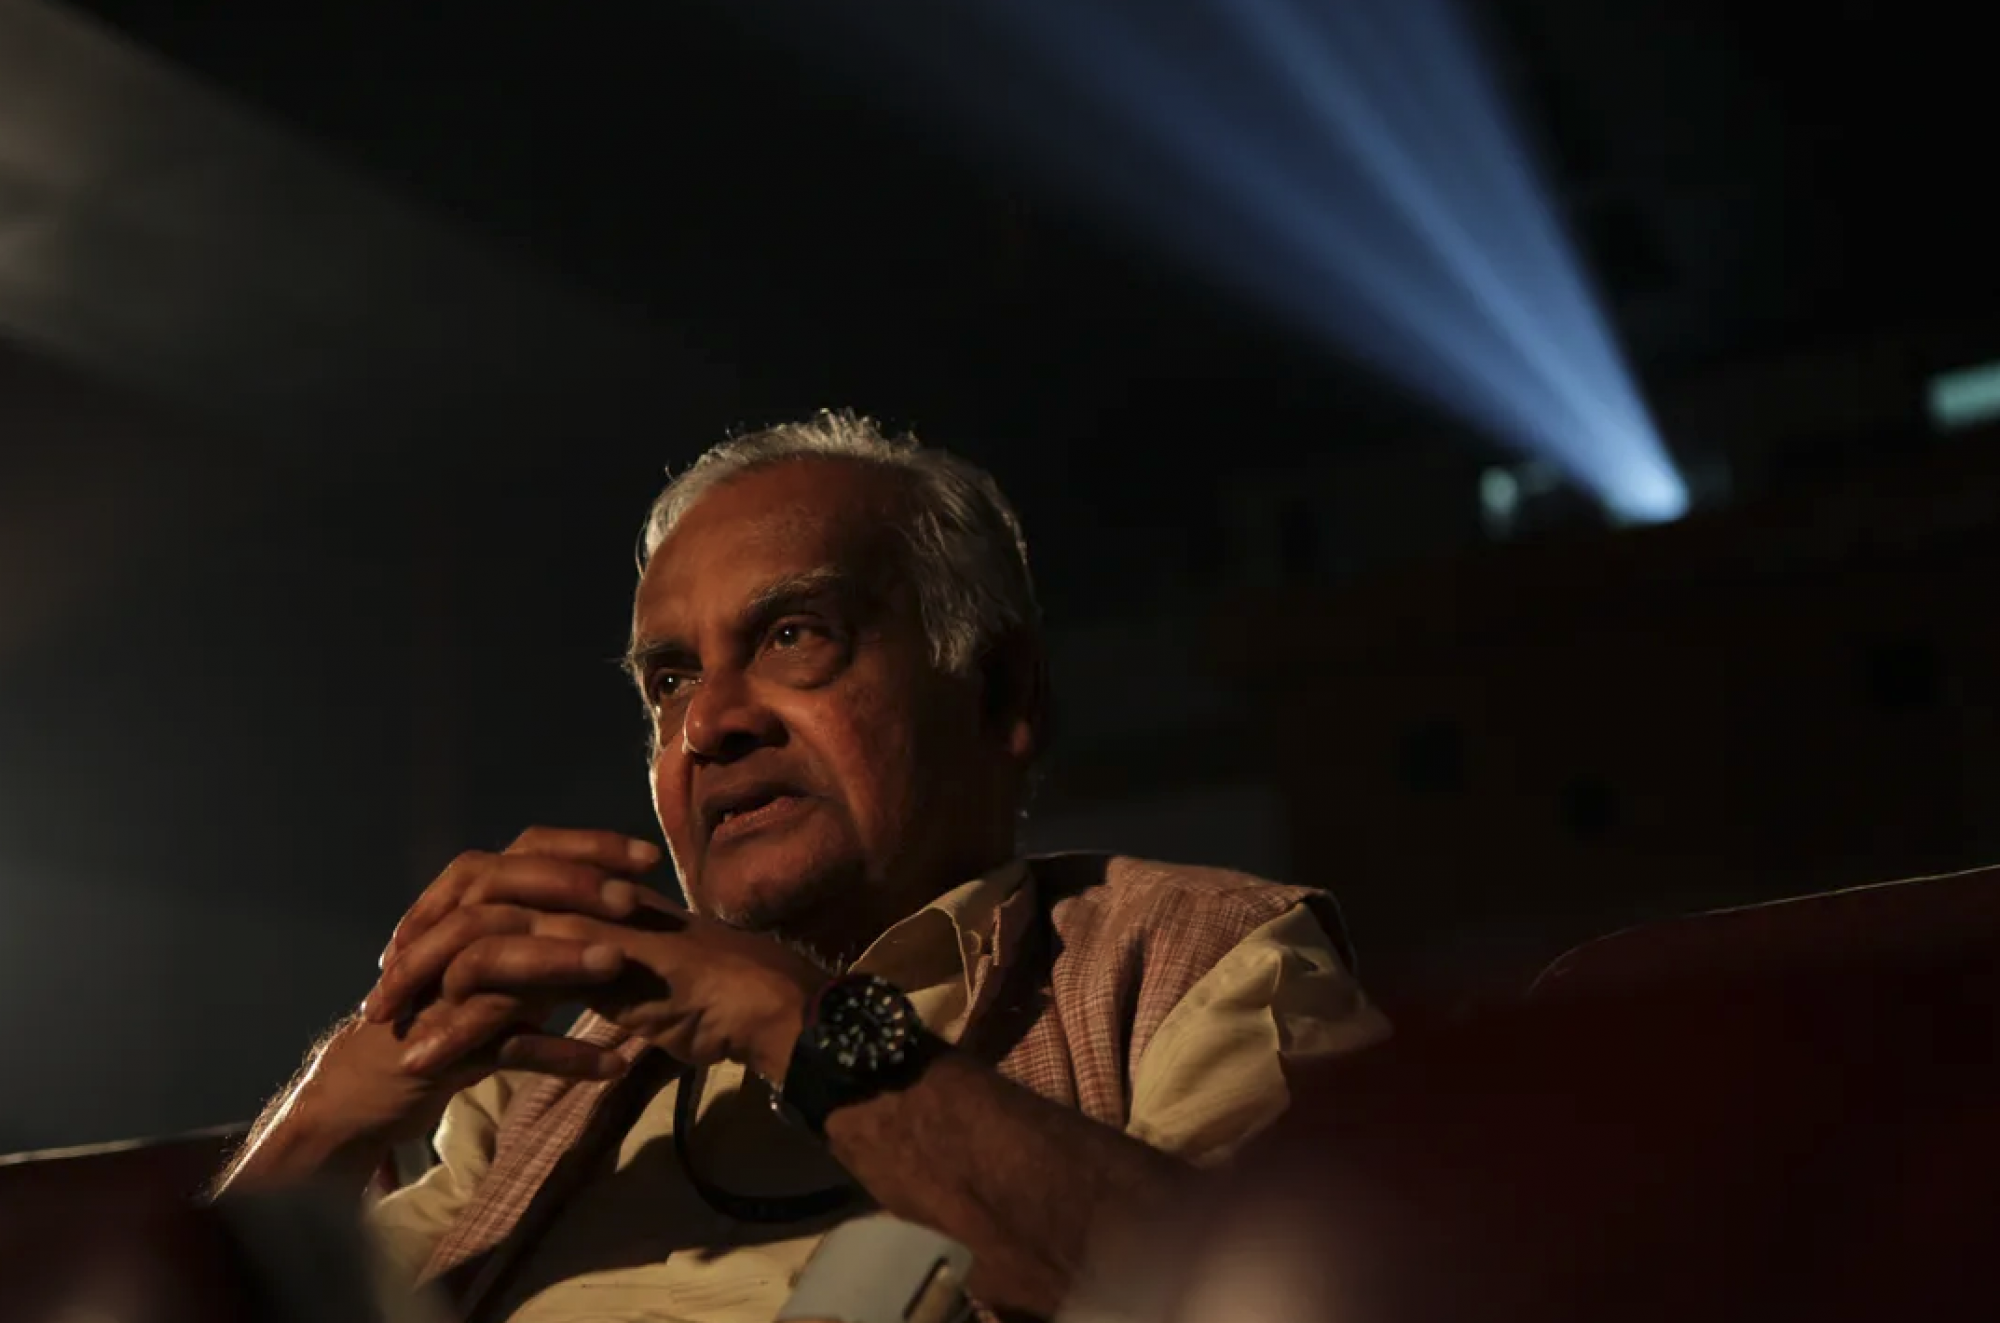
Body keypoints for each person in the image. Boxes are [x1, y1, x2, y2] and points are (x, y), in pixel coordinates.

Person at [215, 412, 1390, 1323]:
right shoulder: (544, 1081)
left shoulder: (1196, 959)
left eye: (792, 637)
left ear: (999, 694)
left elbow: (1278, 1296)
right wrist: (333, 1108)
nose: (708, 724)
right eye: (668, 680)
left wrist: (794, 1018)